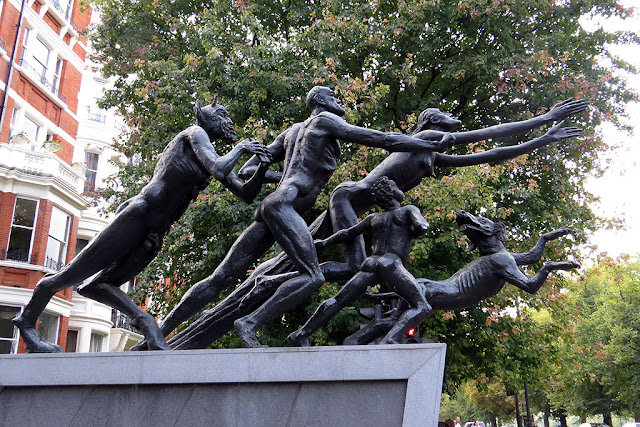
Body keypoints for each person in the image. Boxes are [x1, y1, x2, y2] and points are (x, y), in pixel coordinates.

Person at [165, 105, 585, 350]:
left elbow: (489, 153)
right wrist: (543, 120)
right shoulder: (425, 141)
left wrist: (540, 141)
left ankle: (269, 307)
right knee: (345, 271)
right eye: (445, 122)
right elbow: (490, 134)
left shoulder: (428, 156)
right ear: (431, 125)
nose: (454, 128)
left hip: (352, 207)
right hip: (346, 201)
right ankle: (270, 317)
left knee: (343, 272)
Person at [155, 85, 452, 345]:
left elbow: (248, 170)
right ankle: (248, 324)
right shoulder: (325, 120)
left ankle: (157, 334)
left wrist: (285, 178)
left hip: (274, 204)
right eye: (334, 97)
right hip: (285, 207)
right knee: (313, 276)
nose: (340, 102)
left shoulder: (292, 131)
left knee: (220, 276)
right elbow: (383, 139)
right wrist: (426, 143)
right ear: (321, 103)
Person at [13, 99, 272, 353]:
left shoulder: (214, 155)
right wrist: (241, 149)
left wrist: (262, 167)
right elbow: (218, 168)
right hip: (139, 216)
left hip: (154, 233)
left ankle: (148, 326)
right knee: (70, 275)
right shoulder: (195, 133)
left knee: (99, 284)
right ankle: (28, 323)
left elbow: (245, 194)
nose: (228, 122)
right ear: (207, 119)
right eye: (223, 115)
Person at [286, 176, 432, 346]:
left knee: (339, 300)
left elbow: (347, 233)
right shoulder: (408, 210)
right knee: (423, 307)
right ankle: (389, 340)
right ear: (393, 192)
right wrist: (415, 231)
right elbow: (422, 226)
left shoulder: (374, 218)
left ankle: (301, 334)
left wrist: (324, 243)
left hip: (371, 262)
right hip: (391, 264)